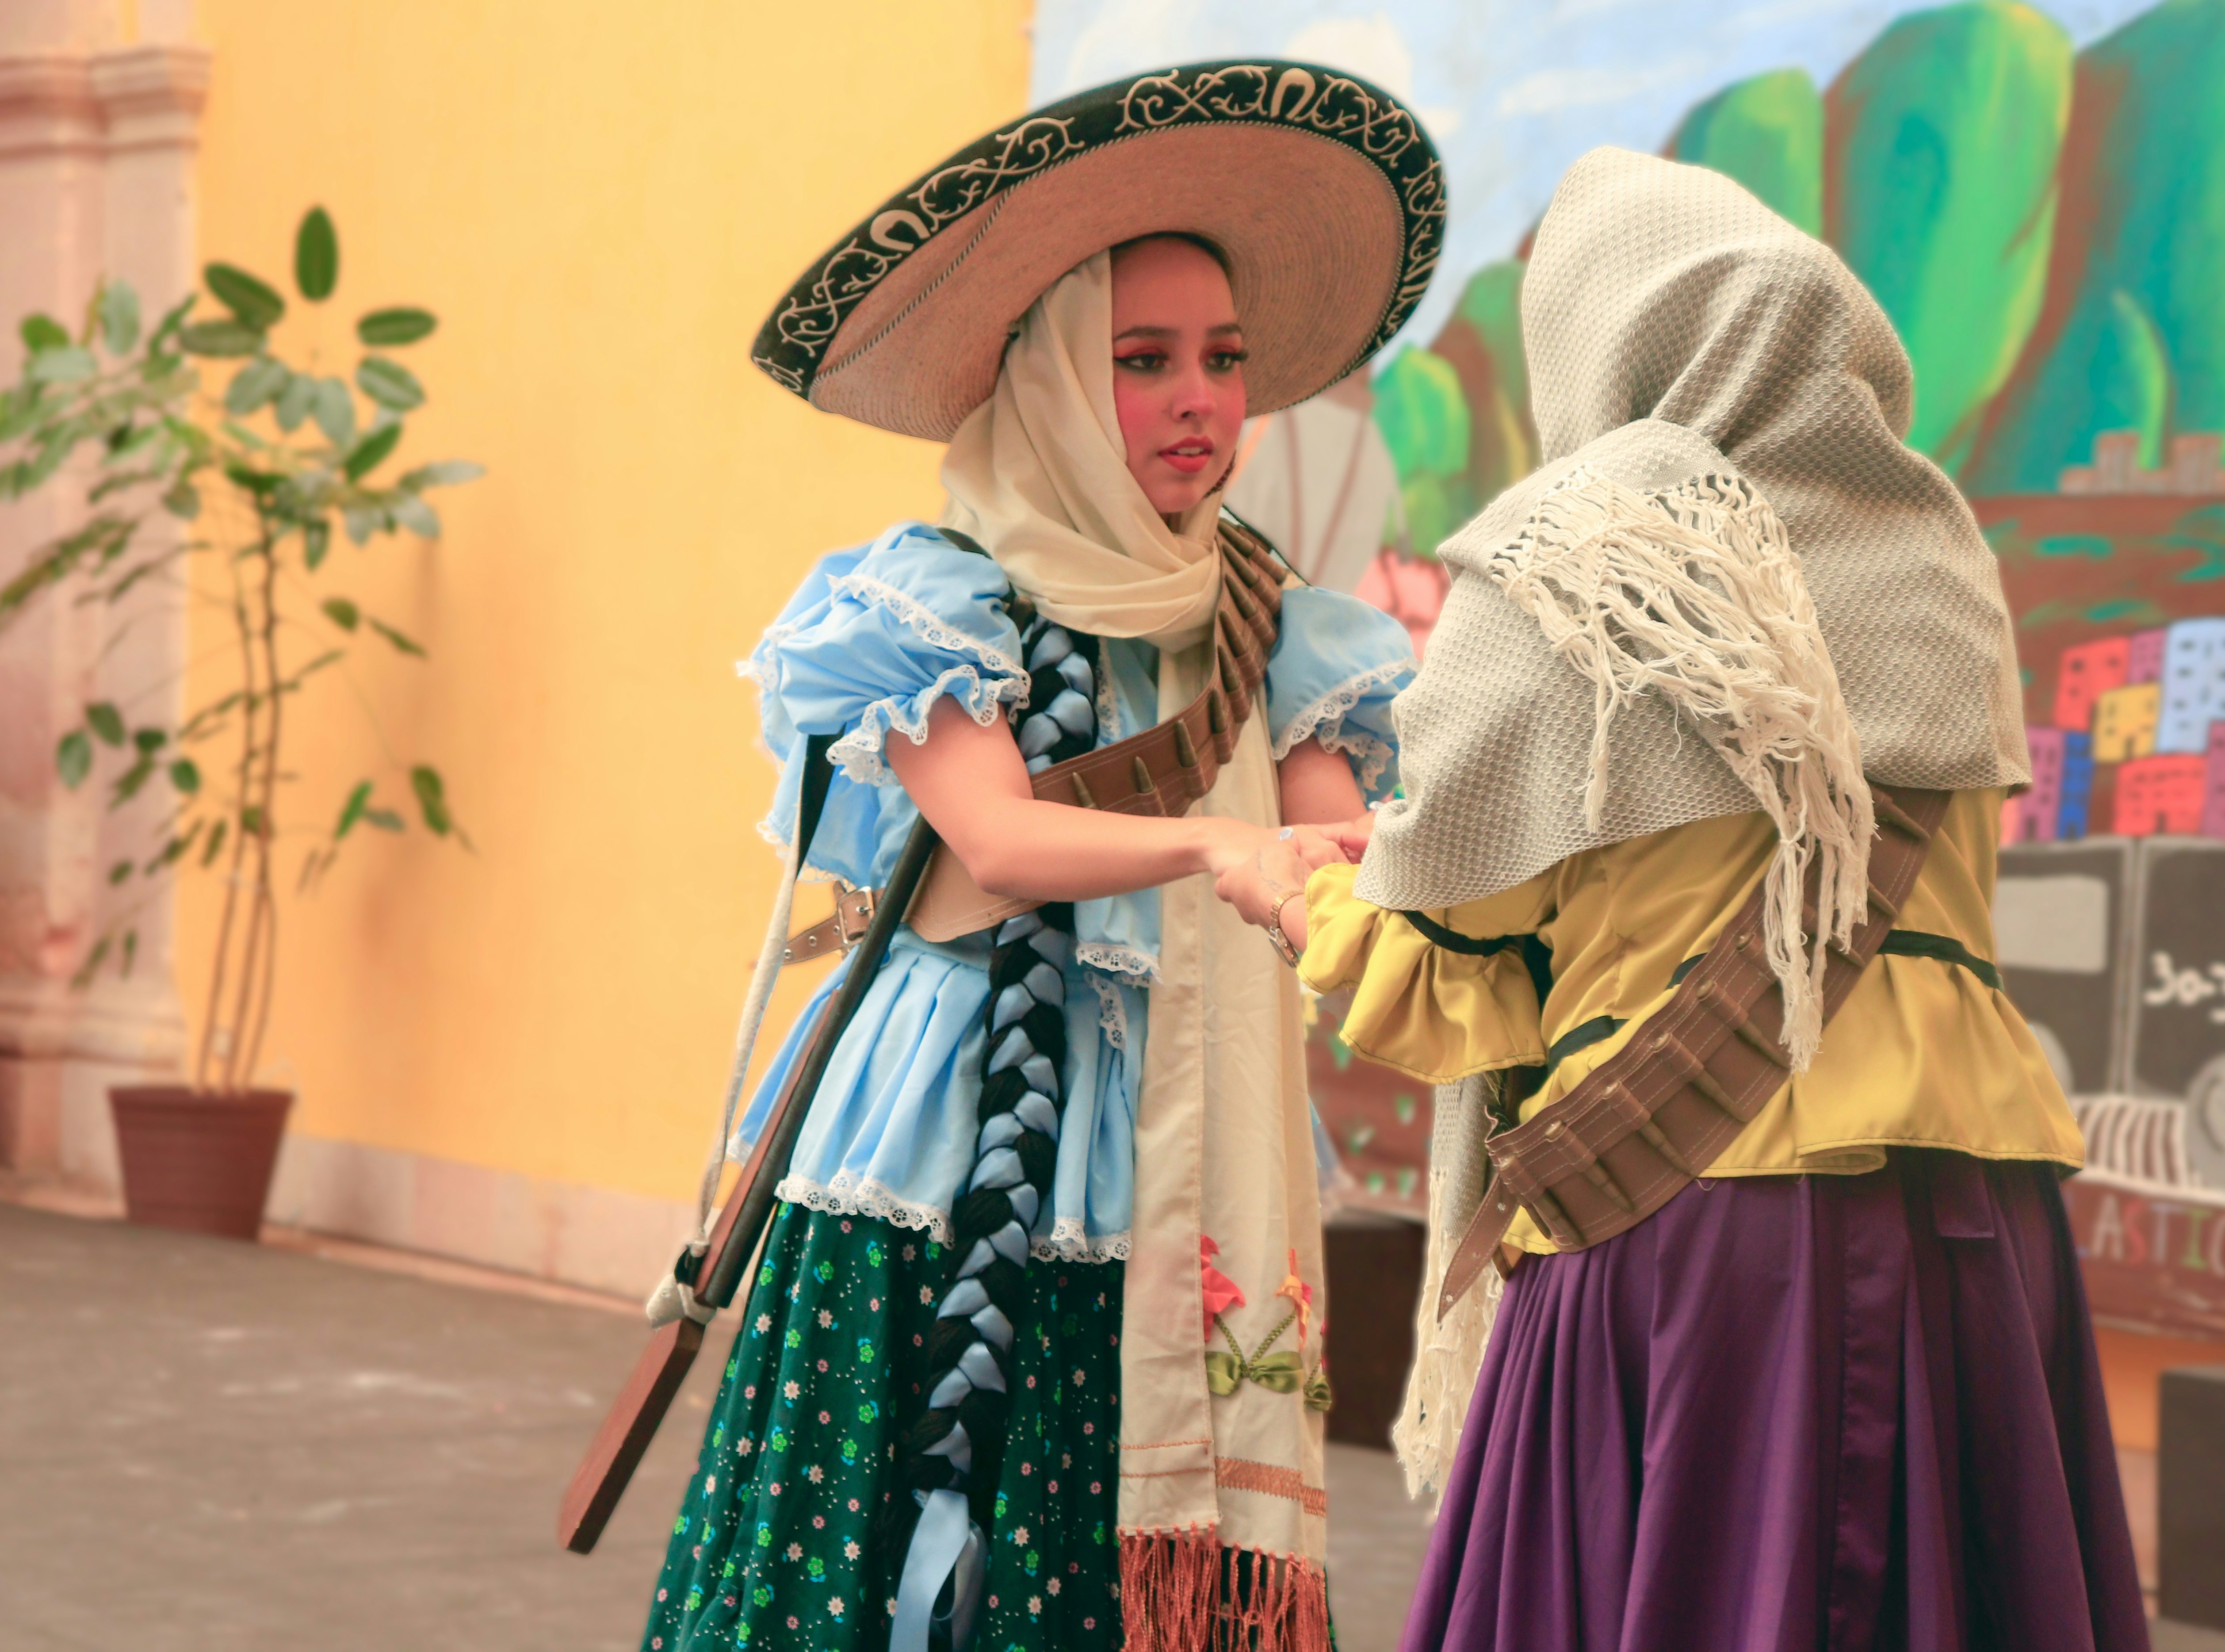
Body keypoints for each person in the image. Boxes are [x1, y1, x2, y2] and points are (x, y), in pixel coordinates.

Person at [1219, 148, 2149, 1649]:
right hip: (1977, 1219)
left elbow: (1442, 980)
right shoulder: (1934, 553)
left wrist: (1285, 889)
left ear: (1599, 340)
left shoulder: (1570, 563)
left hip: (1691, 1223)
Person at [640, 62, 1438, 1652]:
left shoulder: (1281, 625)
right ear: (1055, 379)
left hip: (1183, 1149)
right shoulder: (932, 598)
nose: (1201, 398)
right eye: (1143, 361)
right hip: (951, 1149)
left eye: (1222, 358)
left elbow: (1333, 839)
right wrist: (1231, 840)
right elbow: (997, 842)